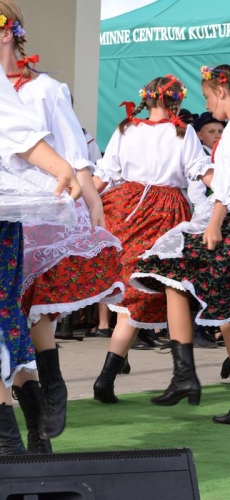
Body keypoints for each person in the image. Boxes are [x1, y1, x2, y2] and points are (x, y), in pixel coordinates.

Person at [2, 1, 124, 443]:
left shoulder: (47, 89)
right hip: (11, 207)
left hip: (44, 206)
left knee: (32, 308)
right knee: (10, 318)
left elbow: (74, 154)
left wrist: (92, 202)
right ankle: (37, 424)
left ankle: (51, 390)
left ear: (7, 32)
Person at [131, 64, 230, 425]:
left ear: (221, 91)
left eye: (208, 96)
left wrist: (214, 224)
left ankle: (187, 375)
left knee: (170, 271)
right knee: (229, 305)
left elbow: (228, 181)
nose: (208, 104)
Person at [91, 75, 210, 404]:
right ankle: (179, 375)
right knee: (162, 291)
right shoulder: (182, 132)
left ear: (147, 98)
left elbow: (104, 174)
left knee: (135, 295)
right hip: (165, 212)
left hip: (126, 209)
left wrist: (78, 201)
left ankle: (107, 379)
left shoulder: (126, 128)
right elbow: (198, 171)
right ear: (177, 101)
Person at [0, 70, 82, 454]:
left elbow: (15, 130)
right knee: (11, 320)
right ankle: (31, 440)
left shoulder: (46, 87)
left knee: (17, 315)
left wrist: (61, 168)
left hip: (24, 203)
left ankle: (16, 450)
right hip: (21, 204)